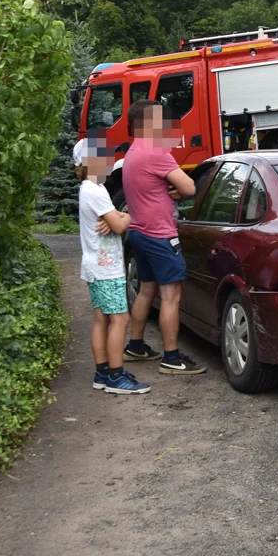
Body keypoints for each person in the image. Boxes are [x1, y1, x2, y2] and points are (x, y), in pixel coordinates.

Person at [121, 100, 204, 375]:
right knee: (171, 295)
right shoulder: (157, 152)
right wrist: (180, 191)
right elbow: (190, 187)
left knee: (147, 289)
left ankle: (135, 345)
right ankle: (171, 357)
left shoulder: (134, 151)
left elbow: (156, 185)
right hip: (159, 235)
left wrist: (174, 190)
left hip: (139, 232)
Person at [75, 135, 150, 395]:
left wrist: (118, 216)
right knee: (120, 319)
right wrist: (123, 216)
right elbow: (119, 225)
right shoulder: (95, 190)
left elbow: (115, 220)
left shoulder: (88, 189)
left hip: (94, 265)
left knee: (101, 320)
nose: (109, 161)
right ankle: (116, 378)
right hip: (106, 268)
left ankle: (102, 372)